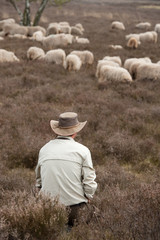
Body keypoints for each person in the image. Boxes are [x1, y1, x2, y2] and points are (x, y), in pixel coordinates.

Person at [35, 112, 97, 227]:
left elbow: (39, 182)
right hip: (75, 208)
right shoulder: (83, 151)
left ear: (57, 130)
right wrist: (88, 197)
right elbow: (89, 181)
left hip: (48, 207)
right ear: (75, 131)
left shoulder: (44, 149)